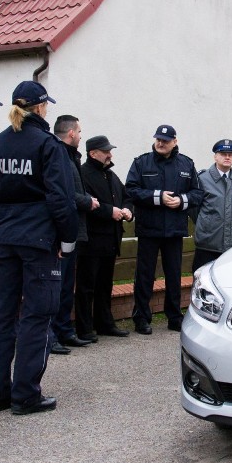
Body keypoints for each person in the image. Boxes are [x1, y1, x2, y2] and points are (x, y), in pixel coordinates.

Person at [0, 81, 77, 415]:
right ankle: (25, 395)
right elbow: (60, 199)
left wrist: (0, 231)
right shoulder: (48, 145)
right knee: (37, 317)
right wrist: (66, 239)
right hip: (38, 242)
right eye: (45, 105)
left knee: (3, 316)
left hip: (6, 240)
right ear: (39, 107)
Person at [125, 125, 202, 334]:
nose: (161, 143)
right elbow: (131, 190)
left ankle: (174, 317)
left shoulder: (186, 164)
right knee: (144, 276)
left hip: (174, 230)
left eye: (166, 140)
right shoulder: (141, 162)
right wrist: (156, 197)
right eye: (158, 139)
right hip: (149, 228)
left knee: (174, 274)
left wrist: (181, 201)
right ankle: (141, 317)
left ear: (175, 142)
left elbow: (197, 193)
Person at [75, 135, 133, 341]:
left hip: (110, 239)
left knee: (104, 284)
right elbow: (87, 202)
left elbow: (126, 196)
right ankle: (84, 327)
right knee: (86, 286)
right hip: (91, 240)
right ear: (93, 153)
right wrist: (110, 212)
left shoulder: (110, 174)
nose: (110, 154)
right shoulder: (83, 174)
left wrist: (127, 210)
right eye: (106, 151)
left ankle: (105, 323)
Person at [49, 115, 97, 354]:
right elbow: (64, 195)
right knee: (57, 286)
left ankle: (65, 331)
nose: (80, 135)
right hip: (62, 232)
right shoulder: (59, 157)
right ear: (70, 134)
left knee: (67, 285)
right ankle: (53, 335)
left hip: (73, 231)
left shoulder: (70, 157)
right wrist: (88, 202)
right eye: (79, 131)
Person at [191, 139, 232, 271]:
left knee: (229, 278)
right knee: (202, 279)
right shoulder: (202, 179)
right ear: (215, 156)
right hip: (208, 243)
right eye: (223, 154)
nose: (227, 157)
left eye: (230, 154)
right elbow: (194, 209)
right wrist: (207, 224)